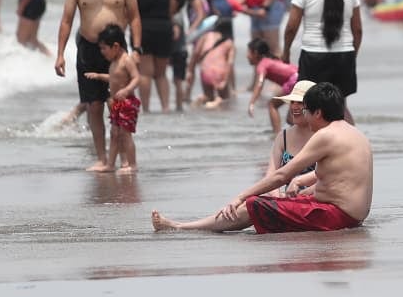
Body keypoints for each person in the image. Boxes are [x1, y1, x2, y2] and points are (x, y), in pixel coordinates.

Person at [151, 82, 372, 234]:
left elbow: (281, 175)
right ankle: (187, 225)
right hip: (351, 215)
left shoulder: (325, 136)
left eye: (305, 111)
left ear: (318, 113)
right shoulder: (355, 133)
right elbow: (338, 180)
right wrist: (302, 188)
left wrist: (239, 197)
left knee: (253, 204)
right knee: (277, 200)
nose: (302, 115)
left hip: (335, 216)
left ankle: (181, 227)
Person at [55, 0, 142, 172]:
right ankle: (102, 159)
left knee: (117, 104)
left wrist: (137, 48)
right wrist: (60, 54)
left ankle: (124, 159)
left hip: (116, 51)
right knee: (93, 106)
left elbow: (134, 16)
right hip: (89, 48)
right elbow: (66, 20)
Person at [283, 0, 363, 124]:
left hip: (313, 56)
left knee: (298, 111)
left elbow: (291, 27)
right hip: (343, 55)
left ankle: (300, 141)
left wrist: (286, 51)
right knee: (340, 109)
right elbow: (357, 30)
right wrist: (352, 55)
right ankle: (352, 139)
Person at [80, 24, 141, 174]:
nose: (102, 52)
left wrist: (126, 90)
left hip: (127, 103)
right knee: (114, 134)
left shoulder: (126, 60)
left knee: (125, 135)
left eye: (103, 48)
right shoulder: (114, 62)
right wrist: (99, 76)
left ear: (116, 46)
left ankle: (132, 165)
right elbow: (114, 78)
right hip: (117, 104)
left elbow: (136, 78)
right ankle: (110, 165)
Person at [132, 0, 173, 113]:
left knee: (145, 73)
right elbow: (172, 5)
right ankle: (166, 108)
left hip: (144, 29)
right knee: (161, 74)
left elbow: (130, 9)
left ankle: (146, 109)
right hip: (164, 27)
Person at [266, 80, 317, 181]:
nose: (294, 107)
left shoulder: (325, 135)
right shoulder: (283, 136)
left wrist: (298, 183)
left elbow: (331, 175)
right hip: (289, 191)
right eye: (292, 102)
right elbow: (271, 175)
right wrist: (275, 189)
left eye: (300, 103)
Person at [246, 37, 299, 132]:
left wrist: (251, 103)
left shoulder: (262, 64)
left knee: (272, 105)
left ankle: (277, 135)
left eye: (248, 52)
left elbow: (259, 84)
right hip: (301, 77)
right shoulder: (271, 60)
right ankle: (299, 136)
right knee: (291, 119)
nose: (247, 56)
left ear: (256, 53)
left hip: (294, 81)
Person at [188, 22, 234, 107]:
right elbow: (230, 64)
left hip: (205, 71)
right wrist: (225, 81)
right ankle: (218, 102)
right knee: (225, 100)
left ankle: (203, 99)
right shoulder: (229, 42)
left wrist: (190, 70)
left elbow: (196, 53)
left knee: (209, 97)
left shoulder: (205, 36)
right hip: (220, 73)